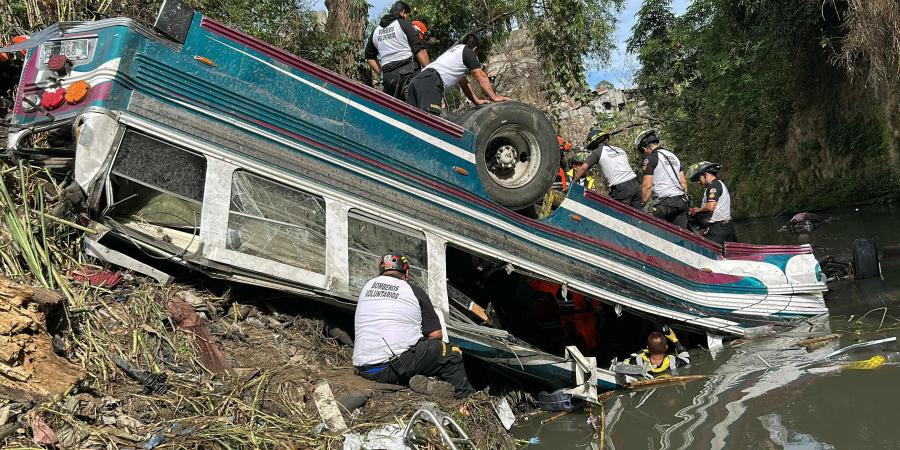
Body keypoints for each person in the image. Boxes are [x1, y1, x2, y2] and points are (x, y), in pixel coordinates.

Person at [352, 253, 475, 398]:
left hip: (363, 368)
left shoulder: (366, 287)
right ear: (407, 273)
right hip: (389, 369)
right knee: (450, 353)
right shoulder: (413, 291)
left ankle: (424, 384)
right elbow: (436, 335)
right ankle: (465, 401)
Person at [406, 33, 510, 115]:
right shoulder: (468, 52)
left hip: (417, 81)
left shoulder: (455, 52)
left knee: (415, 124)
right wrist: (494, 97)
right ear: (474, 48)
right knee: (430, 125)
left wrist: (477, 101)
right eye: (477, 52)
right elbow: (480, 75)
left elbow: (464, 84)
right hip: (429, 84)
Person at [365, 1, 430, 100]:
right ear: (403, 12)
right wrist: (430, 71)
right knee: (416, 108)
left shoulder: (376, 31)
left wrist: (382, 72)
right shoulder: (404, 24)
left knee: (396, 110)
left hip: (388, 79)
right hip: (408, 75)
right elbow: (419, 50)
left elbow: (369, 57)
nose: (407, 18)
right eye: (407, 16)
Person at [571, 128, 641, 208]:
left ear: (593, 144)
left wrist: (572, 183)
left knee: (615, 214)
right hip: (636, 185)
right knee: (637, 216)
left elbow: (583, 168)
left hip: (621, 188)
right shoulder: (619, 149)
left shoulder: (597, 152)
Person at [636, 129, 689, 228]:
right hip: (681, 202)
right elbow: (683, 182)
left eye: (643, 151)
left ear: (646, 148)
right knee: (680, 235)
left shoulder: (651, 158)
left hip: (665, 204)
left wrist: (643, 203)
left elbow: (647, 186)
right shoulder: (673, 157)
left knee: (644, 222)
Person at [689, 161, 738, 244]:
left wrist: (695, 211)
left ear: (706, 175)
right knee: (732, 255)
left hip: (719, 229)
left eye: (699, 178)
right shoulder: (718, 184)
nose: (698, 182)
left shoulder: (713, 186)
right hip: (727, 226)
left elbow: (710, 207)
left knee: (710, 254)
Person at [623, 327, 690, 379]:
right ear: (666, 348)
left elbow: (625, 363)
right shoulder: (673, 361)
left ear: (647, 348)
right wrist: (675, 340)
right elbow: (686, 359)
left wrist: (640, 352)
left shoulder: (636, 361)